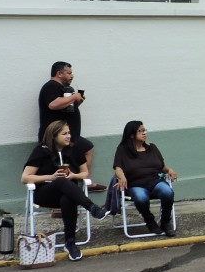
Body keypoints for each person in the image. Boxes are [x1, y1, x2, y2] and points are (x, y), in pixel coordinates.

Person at [21, 120, 109, 261]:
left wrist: (74, 175)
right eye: (64, 134)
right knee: (61, 180)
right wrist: (52, 177)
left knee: (68, 198)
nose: (68, 136)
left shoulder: (73, 150)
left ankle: (70, 243)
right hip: (45, 193)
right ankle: (92, 208)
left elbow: (85, 173)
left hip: (68, 193)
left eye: (69, 133)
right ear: (54, 136)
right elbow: (25, 178)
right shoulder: (42, 150)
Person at [38, 61, 103, 190]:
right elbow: (53, 104)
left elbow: (64, 108)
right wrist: (74, 97)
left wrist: (77, 102)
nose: (72, 76)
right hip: (55, 137)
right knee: (59, 165)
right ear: (59, 73)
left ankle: (85, 180)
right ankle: (59, 201)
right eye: (69, 73)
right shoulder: (51, 86)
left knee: (87, 148)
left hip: (69, 136)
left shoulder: (63, 89)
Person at [112, 121, 178, 236]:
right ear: (132, 134)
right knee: (141, 198)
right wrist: (121, 177)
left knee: (168, 192)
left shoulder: (152, 148)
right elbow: (118, 168)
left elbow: (162, 167)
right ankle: (150, 221)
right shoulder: (123, 149)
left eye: (144, 130)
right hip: (135, 184)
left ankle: (165, 223)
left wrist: (169, 170)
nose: (144, 133)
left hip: (154, 182)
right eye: (140, 131)